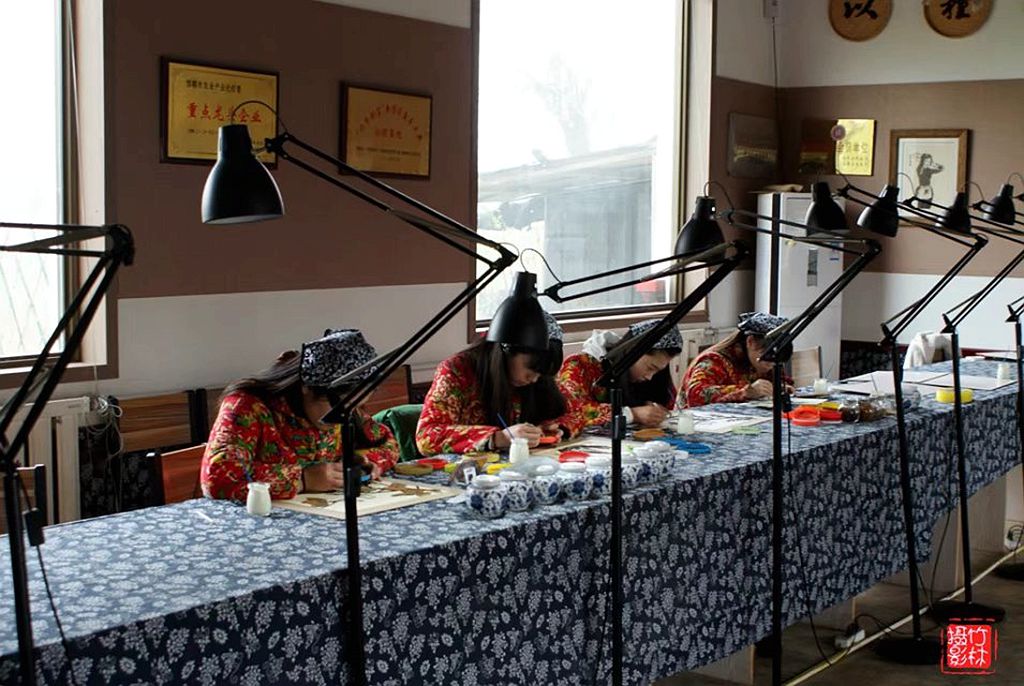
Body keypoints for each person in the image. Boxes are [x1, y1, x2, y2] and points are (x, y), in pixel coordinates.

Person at [202, 329, 399, 501]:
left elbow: (387, 443)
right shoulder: (247, 406)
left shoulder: (346, 411)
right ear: (307, 388)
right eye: (340, 406)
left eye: (356, 406)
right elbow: (217, 477)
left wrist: (367, 461)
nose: (345, 417)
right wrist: (304, 478)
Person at [415, 312, 567, 455]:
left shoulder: (537, 379)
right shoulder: (457, 370)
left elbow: (575, 411)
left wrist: (552, 427)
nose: (533, 379)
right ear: (507, 349)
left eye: (540, 373)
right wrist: (498, 438)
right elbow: (426, 436)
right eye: (531, 368)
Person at [557, 319, 683, 434]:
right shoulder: (579, 366)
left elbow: (670, 405)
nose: (650, 377)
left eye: (657, 371)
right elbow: (571, 412)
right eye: (650, 368)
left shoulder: (650, 378)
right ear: (632, 352)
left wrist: (657, 412)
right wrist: (632, 414)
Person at [680, 312, 792, 407]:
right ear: (750, 342)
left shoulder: (768, 361)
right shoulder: (714, 360)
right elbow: (695, 394)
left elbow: (782, 380)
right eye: (767, 359)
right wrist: (745, 392)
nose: (771, 365)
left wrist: (783, 388)